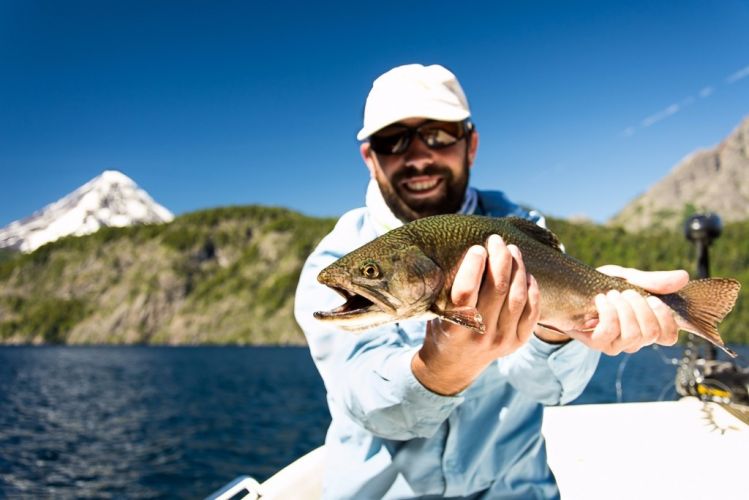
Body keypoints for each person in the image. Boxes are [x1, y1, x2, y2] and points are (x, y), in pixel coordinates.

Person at [294, 64, 686, 499]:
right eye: (393, 141)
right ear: (370, 158)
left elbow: (552, 388)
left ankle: (693, 310)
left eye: (438, 134)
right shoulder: (333, 261)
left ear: (471, 145)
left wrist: (558, 326)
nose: (419, 155)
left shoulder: (522, 235)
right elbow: (369, 403)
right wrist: (444, 365)